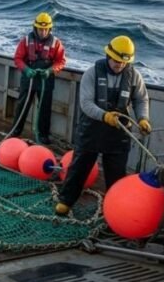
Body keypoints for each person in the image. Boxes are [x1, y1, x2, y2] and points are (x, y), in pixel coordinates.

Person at [56, 36, 151, 215]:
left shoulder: (134, 76)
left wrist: (143, 118)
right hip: (92, 129)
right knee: (79, 168)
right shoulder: (92, 73)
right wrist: (104, 116)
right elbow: (86, 103)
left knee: (116, 174)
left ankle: (115, 209)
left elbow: (141, 99)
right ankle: (66, 200)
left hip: (118, 132)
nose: (119, 65)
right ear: (108, 55)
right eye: (116, 61)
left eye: (123, 62)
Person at [8, 12, 66, 144]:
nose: (43, 32)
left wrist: (51, 70)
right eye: (41, 29)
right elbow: (18, 58)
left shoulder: (56, 43)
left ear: (50, 29)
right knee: (22, 105)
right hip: (29, 78)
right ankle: (15, 131)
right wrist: (26, 69)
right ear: (35, 28)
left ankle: (43, 135)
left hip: (46, 80)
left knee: (45, 108)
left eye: (46, 29)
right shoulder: (26, 41)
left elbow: (61, 61)